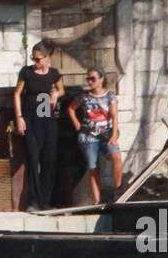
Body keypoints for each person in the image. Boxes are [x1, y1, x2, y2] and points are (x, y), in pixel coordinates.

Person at [14, 40, 64, 212]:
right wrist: (19, 117)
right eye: (33, 59)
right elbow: (17, 94)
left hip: (46, 116)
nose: (35, 62)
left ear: (47, 58)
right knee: (33, 157)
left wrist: (56, 94)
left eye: (38, 59)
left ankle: (46, 199)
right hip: (30, 117)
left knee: (48, 159)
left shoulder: (53, 74)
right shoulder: (27, 73)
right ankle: (34, 199)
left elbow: (62, 89)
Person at [68, 67, 123, 203]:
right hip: (88, 135)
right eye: (88, 79)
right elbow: (71, 108)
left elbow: (115, 116)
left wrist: (114, 135)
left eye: (93, 78)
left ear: (101, 79)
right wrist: (77, 125)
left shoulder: (110, 96)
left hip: (105, 133)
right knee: (93, 168)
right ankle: (98, 201)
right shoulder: (84, 97)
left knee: (116, 156)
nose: (90, 82)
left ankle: (118, 191)